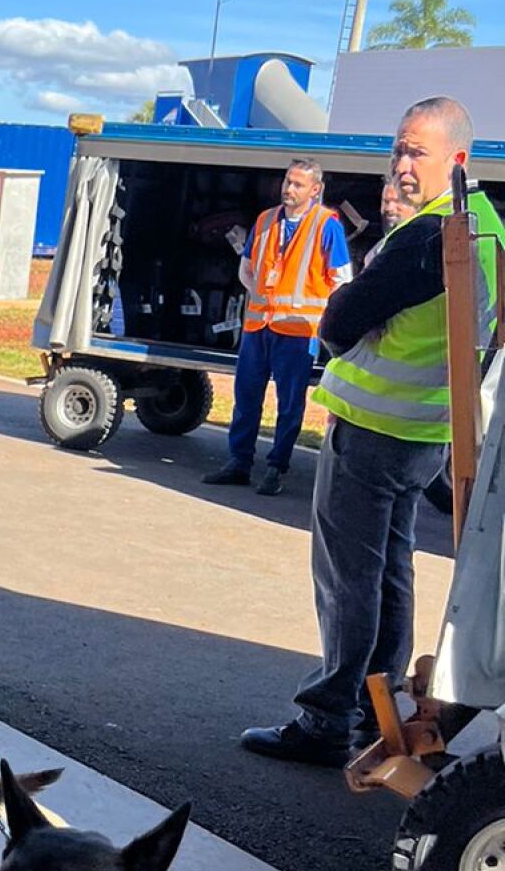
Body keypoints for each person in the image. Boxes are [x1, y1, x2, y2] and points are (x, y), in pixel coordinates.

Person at [241, 97, 505, 765]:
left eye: (416, 151)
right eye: (398, 150)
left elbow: (339, 318)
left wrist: (344, 312)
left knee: (348, 579)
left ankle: (331, 717)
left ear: (458, 158)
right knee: (389, 572)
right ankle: (379, 705)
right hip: (427, 434)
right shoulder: (486, 226)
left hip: (375, 429)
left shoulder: (428, 234)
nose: (403, 165)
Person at [204, 159, 351, 499]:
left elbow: (342, 281)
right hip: (259, 325)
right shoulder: (266, 220)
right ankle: (239, 463)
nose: (289, 189)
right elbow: (247, 269)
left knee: (289, 404)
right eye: (287, 181)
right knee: (246, 397)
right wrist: (260, 295)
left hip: (298, 332)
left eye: (298, 184)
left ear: (315, 190)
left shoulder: (327, 224)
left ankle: (275, 467)